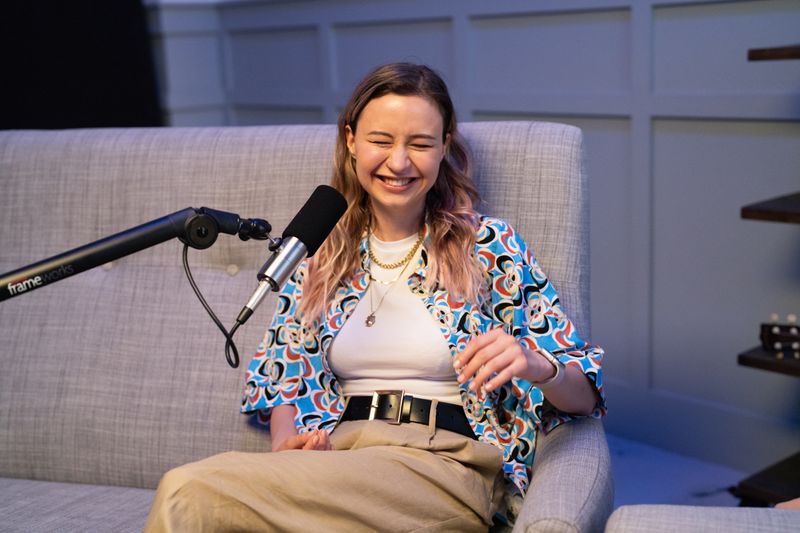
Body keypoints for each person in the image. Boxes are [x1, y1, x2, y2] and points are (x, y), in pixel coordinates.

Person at [145, 62, 606, 532]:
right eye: (381, 141)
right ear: (351, 140)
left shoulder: (487, 244)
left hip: (442, 462)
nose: (399, 162)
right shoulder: (320, 250)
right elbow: (283, 374)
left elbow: (584, 397)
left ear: (445, 145)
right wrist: (287, 444)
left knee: (188, 493)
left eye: (421, 144)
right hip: (338, 460)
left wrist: (535, 364)